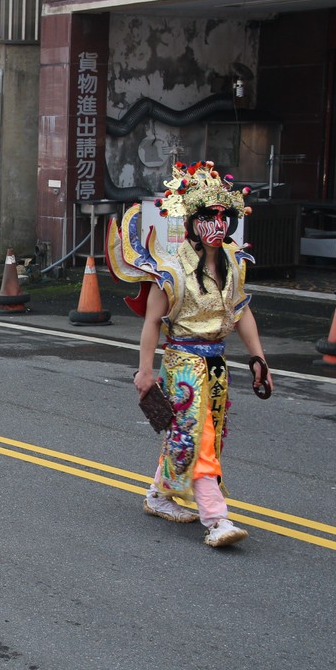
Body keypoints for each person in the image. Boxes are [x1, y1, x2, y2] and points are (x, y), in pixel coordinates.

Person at [108, 160, 274, 548]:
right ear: (191, 221)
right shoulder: (170, 271)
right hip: (183, 363)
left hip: (217, 364)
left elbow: (240, 311)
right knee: (197, 438)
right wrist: (145, 372)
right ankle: (216, 519)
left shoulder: (233, 264)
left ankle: (158, 494)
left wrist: (258, 358)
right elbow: (152, 323)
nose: (218, 224)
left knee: (199, 437)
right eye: (208, 216)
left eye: (223, 216)